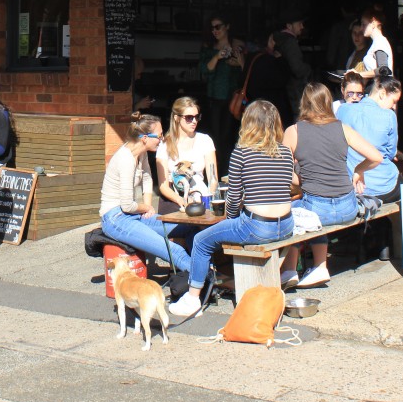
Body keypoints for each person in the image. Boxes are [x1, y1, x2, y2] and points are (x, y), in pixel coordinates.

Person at [169, 100, 295, 318]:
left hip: (257, 226)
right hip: (286, 224)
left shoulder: (242, 153)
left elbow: (234, 198)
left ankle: (192, 299)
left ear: (248, 123)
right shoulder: (285, 151)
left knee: (201, 241)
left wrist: (231, 219)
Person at [280, 83, 383, 288]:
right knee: (312, 214)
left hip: (317, 208)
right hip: (348, 207)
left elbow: (282, 172)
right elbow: (376, 157)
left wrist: (301, 182)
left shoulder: (294, 131)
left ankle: (290, 270)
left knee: (290, 212)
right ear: (328, 102)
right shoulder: (342, 128)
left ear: (304, 104)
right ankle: (319, 267)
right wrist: (358, 170)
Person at [100, 112, 192, 274]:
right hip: (116, 219)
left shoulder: (140, 152)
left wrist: (148, 206)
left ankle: (200, 272)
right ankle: (205, 279)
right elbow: (127, 205)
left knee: (188, 228)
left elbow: (147, 177)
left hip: (131, 215)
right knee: (173, 250)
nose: (162, 139)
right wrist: (144, 208)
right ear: (144, 138)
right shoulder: (126, 159)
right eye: (159, 135)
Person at [337, 76, 402, 261]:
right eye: (394, 101)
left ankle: (371, 244)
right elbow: (389, 154)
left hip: (356, 185)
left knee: (371, 194)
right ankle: (384, 245)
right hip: (384, 185)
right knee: (397, 184)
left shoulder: (343, 111)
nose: (394, 106)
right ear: (382, 93)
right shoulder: (388, 116)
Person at [199, 14, 244, 175]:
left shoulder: (238, 46)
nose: (214, 31)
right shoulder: (209, 48)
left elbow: (246, 69)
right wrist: (217, 56)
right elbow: (204, 70)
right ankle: (217, 174)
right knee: (216, 138)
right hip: (215, 99)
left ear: (227, 27)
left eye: (218, 26)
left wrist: (238, 59)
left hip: (234, 100)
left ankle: (231, 174)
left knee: (232, 137)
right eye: (212, 28)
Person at [156, 96, 217, 214]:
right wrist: (182, 201)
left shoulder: (205, 140)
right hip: (173, 198)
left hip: (200, 196)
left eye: (197, 117)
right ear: (177, 118)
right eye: (189, 118)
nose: (194, 121)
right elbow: (163, 186)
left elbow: (213, 178)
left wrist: (207, 199)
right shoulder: (165, 144)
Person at [271, 9, 311, 124]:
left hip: (284, 89)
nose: (302, 26)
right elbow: (297, 68)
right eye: (299, 23)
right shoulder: (290, 42)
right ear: (289, 26)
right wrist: (308, 68)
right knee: (299, 117)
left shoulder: (279, 40)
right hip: (294, 89)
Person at [359, 7, 394, 82]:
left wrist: (359, 74)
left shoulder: (380, 42)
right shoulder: (377, 43)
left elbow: (384, 70)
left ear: (373, 22)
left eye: (363, 24)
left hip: (381, 89)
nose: (361, 28)